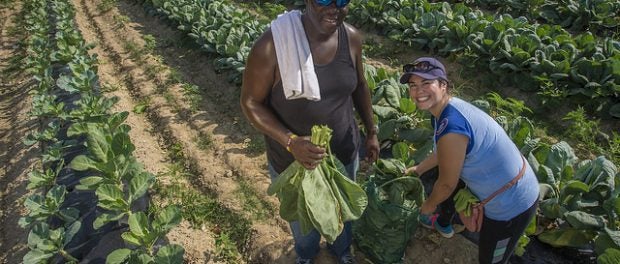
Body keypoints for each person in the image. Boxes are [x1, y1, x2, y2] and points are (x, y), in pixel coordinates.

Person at [240, 0, 380, 263]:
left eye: (342, 1)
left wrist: (371, 130)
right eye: (324, 0)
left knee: (341, 216)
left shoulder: (350, 38)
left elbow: (360, 86)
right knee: (304, 227)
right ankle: (306, 255)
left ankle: (342, 253)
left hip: (343, 155)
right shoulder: (273, 46)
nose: (334, 7)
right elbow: (250, 103)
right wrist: (291, 142)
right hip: (294, 162)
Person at [400, 57, 539, 264]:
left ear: (443, 85)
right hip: (509, 188)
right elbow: (443, 153)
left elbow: (447, 185)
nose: (418, 91)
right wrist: (419, 169)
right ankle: (444, 223)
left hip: (513, 205)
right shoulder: (447, 110)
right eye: (413, 85)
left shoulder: (453, 126)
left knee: (492, 259)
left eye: (426, 83)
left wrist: (427, 207)